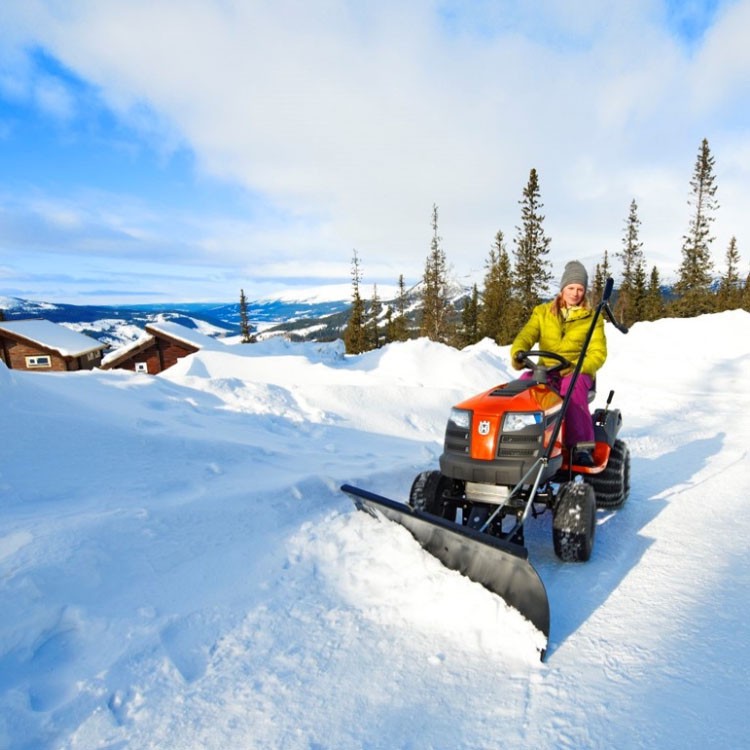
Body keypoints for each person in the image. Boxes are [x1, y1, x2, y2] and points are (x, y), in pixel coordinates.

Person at [510, 260, 607, 466]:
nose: (575, 293)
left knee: (571, 391)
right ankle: (519, 441)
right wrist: (519, 351)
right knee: (523, 388)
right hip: (546, 369)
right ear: (562, 289)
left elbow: (598, 352)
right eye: (571, 288)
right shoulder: (543, 312)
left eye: (580, 289)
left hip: (576, 369)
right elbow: (527, 335)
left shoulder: (592, 318)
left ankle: (580, 446)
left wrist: (581, 367)